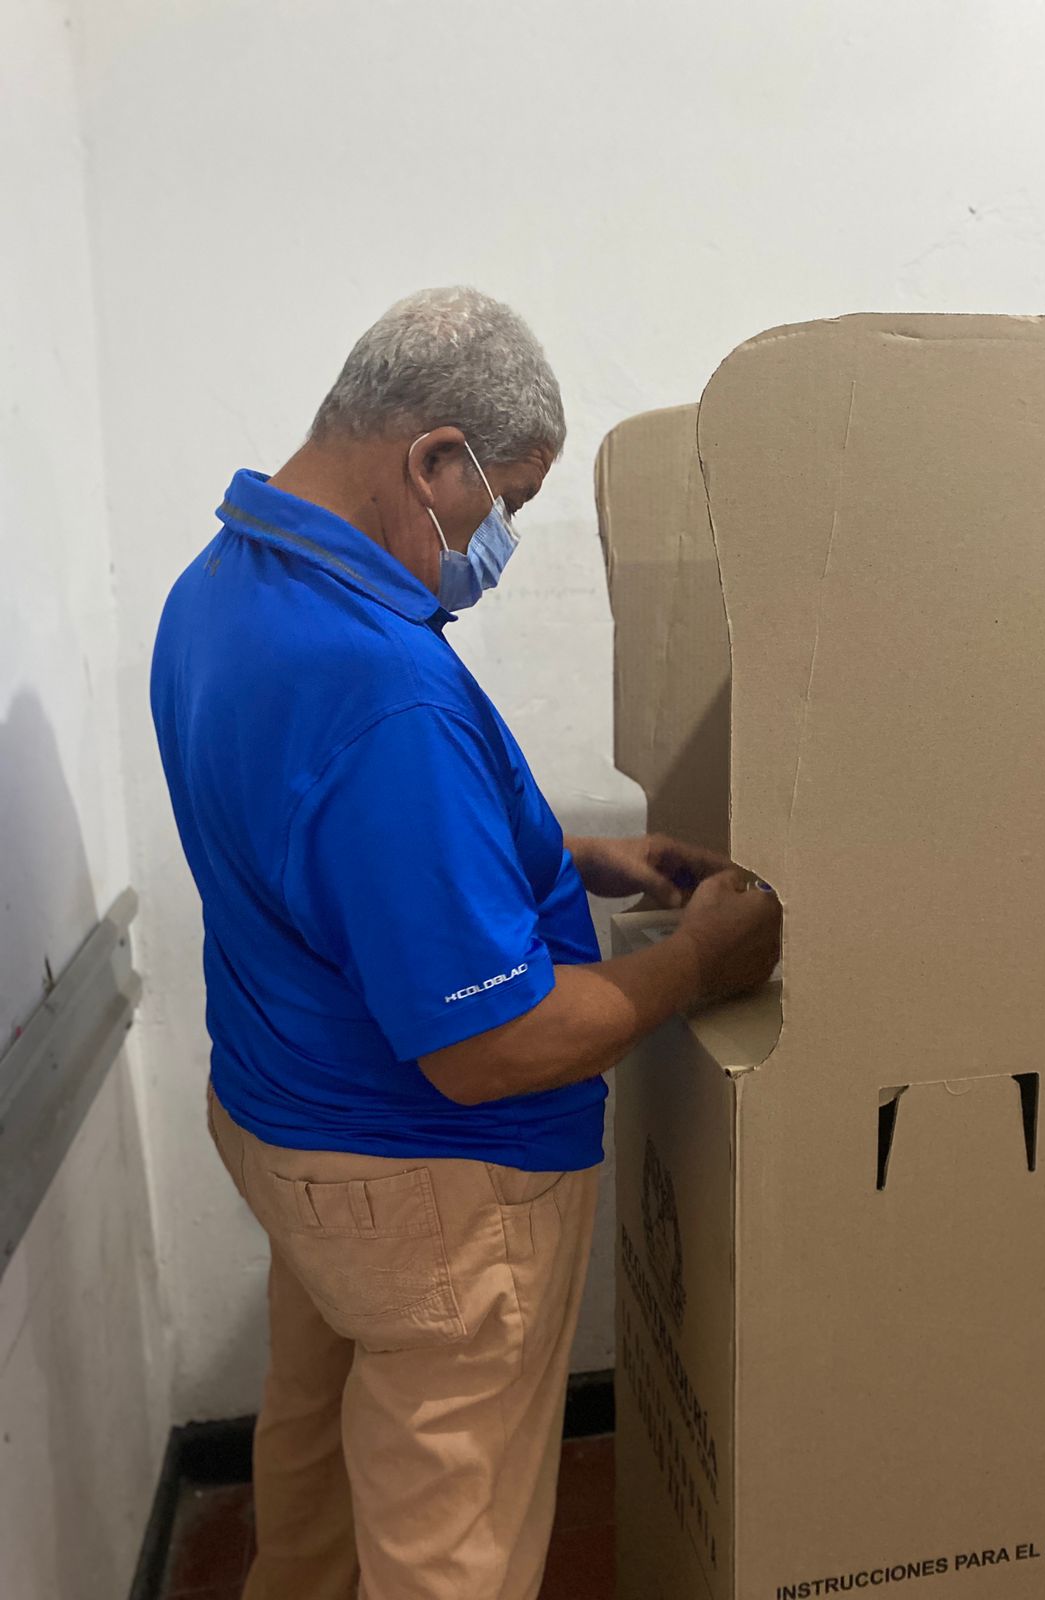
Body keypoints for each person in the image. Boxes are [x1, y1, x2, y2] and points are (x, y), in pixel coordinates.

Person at [150, 285, 780, 1600]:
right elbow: (494, 1046)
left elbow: (324, 840)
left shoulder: (221, 590)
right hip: (428, 1192)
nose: (500, 539)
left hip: (286, 1131)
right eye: (511, 502)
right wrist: (697, 963)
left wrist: (565, 853)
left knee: (312, 1464)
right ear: (435, 461)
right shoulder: (382, 684)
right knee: (451, 1542)